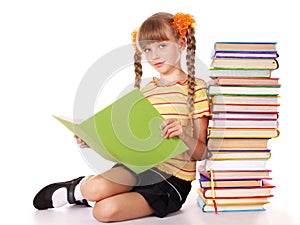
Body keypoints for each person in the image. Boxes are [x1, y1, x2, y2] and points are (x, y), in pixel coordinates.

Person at [33, 12, 210, 222]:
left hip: (172, 180)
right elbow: (130, 142)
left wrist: (182, 135)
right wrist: (94, 140)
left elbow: (202, 152)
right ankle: (79, 190)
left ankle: (87, 195)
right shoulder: (146, 92)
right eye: (147, 49)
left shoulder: (196, 89)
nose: (154, 55)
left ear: (181, 43)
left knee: (103, 212)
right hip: (140, 166)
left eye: (162, 45)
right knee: (97, 188)